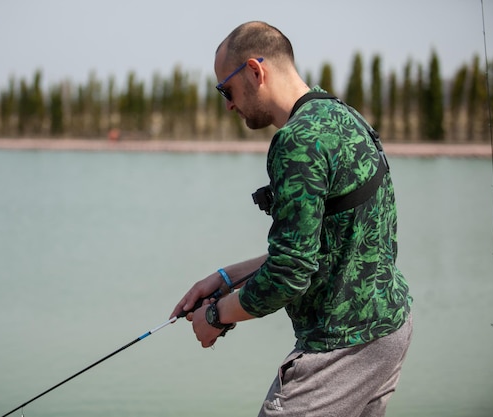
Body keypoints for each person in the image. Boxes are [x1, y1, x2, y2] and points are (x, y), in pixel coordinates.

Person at [170, 21, 413, 417]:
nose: (228, 104)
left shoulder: (296, 141)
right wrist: (226, 277)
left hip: (341, 348)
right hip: (389, 330)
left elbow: (290, 272)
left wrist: (215, 316)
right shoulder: (341, 115)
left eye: (225, 90)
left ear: (254, 71)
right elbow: (322, 246)